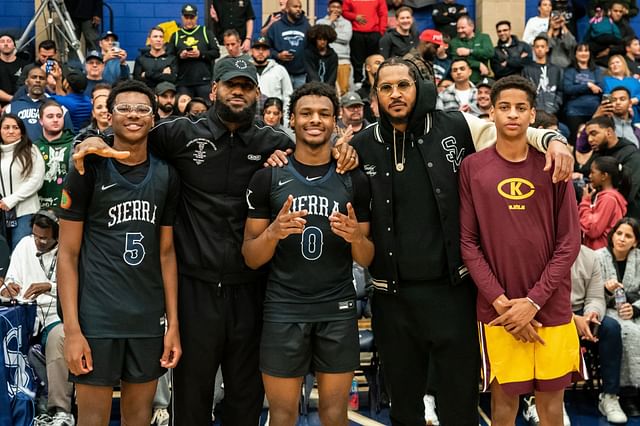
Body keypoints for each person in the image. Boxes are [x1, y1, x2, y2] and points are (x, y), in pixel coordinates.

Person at [71, 57, 357, 425]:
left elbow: (316, 154)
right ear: (214, 90)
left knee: (246, 396)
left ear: (257, 93)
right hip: (195, 290)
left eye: (246, 86)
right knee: (192, 396)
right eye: (230, 85)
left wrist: (342, 149)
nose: (237, 92)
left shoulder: (276, 143)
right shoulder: (180, 134)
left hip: (253, 288)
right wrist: (89, 137)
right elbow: (130, 132)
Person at [345, 57, 573, 425]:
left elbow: (510, 129)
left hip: (454, 293)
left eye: (403, 85)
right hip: (392, 297)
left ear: (420, 86)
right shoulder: (361, 144)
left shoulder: (457, 125)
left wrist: (553, 138)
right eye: (385, 88)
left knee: (459, 407)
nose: (395, 94)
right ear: (375, 96)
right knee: (403, 408)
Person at [242, 81, 373, 426]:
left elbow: (367, 257)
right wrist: (273, 233)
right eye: (306, 113)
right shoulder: (267, 178)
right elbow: (251, 256)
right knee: (282, 414)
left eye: (324, 114)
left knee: (334, 414)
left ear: (336, 121)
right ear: (292, 120)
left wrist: (355, 237)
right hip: (284, 307)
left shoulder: (353, 179)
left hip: (337, 306)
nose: (315, 120)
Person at [57, 80, 182, 426]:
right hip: (97, 319)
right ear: (108, 117)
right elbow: (67, 255)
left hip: (146, 318)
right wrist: (72, 331)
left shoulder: (166, 175)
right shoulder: (87, 167)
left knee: (138, 419)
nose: (133, 115)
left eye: (142, 108)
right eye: (123, 108)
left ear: (154, 119)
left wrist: (173, 325)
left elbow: (167, 253)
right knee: (92, 420)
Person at [459, 74, 582, 426]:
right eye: (504, 107)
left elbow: (569, 242)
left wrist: (533, 303)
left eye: (521, 108)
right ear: (491, 114)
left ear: (532, 116)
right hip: (499, 311)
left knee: (550, 410)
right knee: (503, 408)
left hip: (551, 307)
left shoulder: (554, 164)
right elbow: (468, 242)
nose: (512, 114)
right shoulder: (472, 167)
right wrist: (503, 302)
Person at [1, 211, 75, 426]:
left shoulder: (68, 248)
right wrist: (8, 288)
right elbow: (12, 278)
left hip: (55, 315)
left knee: (58, 338)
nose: (39, 242)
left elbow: (80, 288)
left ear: (57, 236)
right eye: (36, 236)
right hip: (25, 313)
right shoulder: (25, 245)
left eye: (45, 238)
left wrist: (49, 287)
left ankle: (61, 411)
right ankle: (13, 407)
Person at [571, 245, 627, 424]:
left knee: (611, 328)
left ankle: (610, 396)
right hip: (555, 313)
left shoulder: (588, 256)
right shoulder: (544, 251)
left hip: (584, 311)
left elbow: (596, 296)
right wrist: (572, 319)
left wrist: (591, 315)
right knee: (555, 330)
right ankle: (555, 401)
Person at [596, 217, 640, 416]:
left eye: (628, 236)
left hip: (634, 310)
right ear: (612, 235)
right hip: (608, 310)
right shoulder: (597, 257)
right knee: (628, 332)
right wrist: (605, 290)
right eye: (619, 233)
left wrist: (636, 308)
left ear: (636, 242)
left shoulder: (639, 259)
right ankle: (628, 393)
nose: (622, 239)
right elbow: (589, 294)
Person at [0, 114, 45, 250]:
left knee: (20, 253)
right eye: (6, 127)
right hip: (1, 214)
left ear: (22, 131)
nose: (11, 131)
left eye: (15, 127)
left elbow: (36, 180)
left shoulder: (31, 150)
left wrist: (12, 199)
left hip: (25, 212)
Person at [582, 116, 640, 220]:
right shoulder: (599, 152)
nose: (590, 139)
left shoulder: (631, 154)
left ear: (609, 132)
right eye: (588, 135)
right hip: (600, 212)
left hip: (627, 218)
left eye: (594, 133)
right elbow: (586, 176)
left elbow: (630, 190)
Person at [5, 66, 74, 142]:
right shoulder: (12, 107)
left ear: (46, 82)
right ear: (26, 81)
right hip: (20, 151)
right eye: (34, 77)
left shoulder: (58, 107)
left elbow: (69, 136)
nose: (37, 80)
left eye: (41, 78)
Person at [167, 3, 220, 99]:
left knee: (206, 108)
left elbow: (216, 52)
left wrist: (200, 54)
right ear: (182, 17)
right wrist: (181, 55)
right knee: (184, 110)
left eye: (192, 17)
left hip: (204, 80)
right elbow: (169, 57)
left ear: (196, 17)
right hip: (183, 82)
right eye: (186, 17)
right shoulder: (176, 35)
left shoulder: (205, 32)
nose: (189, 20)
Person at [580, 156, 630, 249]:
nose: (590, 176)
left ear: (604, 176)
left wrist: (585, 202)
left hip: (599, 253)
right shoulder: (606, 197)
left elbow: (593, 230)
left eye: (593, 172)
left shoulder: (608, 199)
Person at [34, 100, 75, 209]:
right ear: (41, 121)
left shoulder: (74, 144)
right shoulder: (33, 147)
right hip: (38, 209)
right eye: (50, 116)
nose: (55, 120)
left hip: (67, 209)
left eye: (59, 116)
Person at [563, 43, 604, 145]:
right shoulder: (570, 71)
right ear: (575, 54)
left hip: (594, 112)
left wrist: (578, 88)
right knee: (576, 143)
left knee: (595, 142)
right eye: (580, 51)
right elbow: (568, 89)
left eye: (586, 50)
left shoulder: (596, 70)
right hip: (574, 112)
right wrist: (588, 86)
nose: (583, 53)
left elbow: (600, 89)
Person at [266, 0, 311, 89]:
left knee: (299, 101)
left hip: (301, 74)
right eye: (295, 7)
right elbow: (267, 49)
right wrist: (278, 55)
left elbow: (312, 48)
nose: (298, 9)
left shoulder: (307, 26)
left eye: (300, 7)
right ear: (287, 9)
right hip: (281, 73)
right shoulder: (275, 27)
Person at [342, 0, 387, 84]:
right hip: (356, 33)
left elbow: (383, 14)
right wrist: (355, 16)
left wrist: (381, 32)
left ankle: (371, 83)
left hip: (374, 33)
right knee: (357, 61)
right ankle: (358, 83)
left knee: (373, 61)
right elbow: (344, 12)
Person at [251, 37, 293, 120]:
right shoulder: (246, 70)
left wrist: (286, 120)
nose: (260, 52)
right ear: (251, 51)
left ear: (269, 52)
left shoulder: (280, 70)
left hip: (274, 119)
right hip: (251, 119)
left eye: (264, 49)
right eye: (257, 48)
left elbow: (288, 96)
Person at [317, 0, 353, 95]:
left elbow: (346, 38)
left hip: (343, 60)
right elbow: (319, 36)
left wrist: (329, 35)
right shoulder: (320, 22)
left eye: (338, 7)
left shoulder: (346, 23)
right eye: (333, 7)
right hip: (325, 60)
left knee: (343, 90)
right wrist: (330, 22)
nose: (336, 9)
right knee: (326, 90)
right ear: (328, 8)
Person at [522, 35, 563, 115]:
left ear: (547, 48)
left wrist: (556, 106)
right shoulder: (527, 69)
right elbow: (525, 91)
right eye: (537, 47)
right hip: (534, 111)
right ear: (533, 49)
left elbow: (560, 91)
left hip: (553, 111)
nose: (540, 49)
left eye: (542, 46)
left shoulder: (556, 69)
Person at [449, 15, 493, 84]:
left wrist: (470, 52)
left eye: (463, 28)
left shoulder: (484, 37)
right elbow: (456, 59)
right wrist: (478, 64)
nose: (460, 30)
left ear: (472, 26)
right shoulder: (454, 42)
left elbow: (489, 53)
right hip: (463, 81)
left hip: (482, 80)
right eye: (458, 28)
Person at [133, 26, 177, 91]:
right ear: (149, 39)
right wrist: (163, 75)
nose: (158, 40)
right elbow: (137, 81)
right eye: (155, 36)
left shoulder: (172, 59)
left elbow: (173, 79)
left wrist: (147, 74)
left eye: (161, 37)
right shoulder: (141, 59)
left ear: (163, 40)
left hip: (165, 95)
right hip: (146, 94)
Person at [51, 66, 92, 133]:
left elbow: (60, 98)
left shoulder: (63, 101)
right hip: (84, 136)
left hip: (70, 138)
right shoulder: (89, 101)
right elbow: (64, 98)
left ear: (67, 85)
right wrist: (58, 79)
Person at [603, 55, 640, 123]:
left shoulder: (633, 80)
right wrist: (625, 104)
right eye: (612, 63)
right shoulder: (606, 80)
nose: (615, 65)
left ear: (624, 64)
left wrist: (636, 99)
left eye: (617, 62)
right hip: (616, 117)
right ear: (609, 67)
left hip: (636, 116)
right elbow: (606, 97)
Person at [0, 33, 29, 108]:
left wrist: (15, 103)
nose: (6, 44)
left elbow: (28, 87)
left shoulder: (25, 65)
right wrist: (12, 99)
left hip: (22, 102)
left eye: (9, 41)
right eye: (2, 41)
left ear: (14, 46)